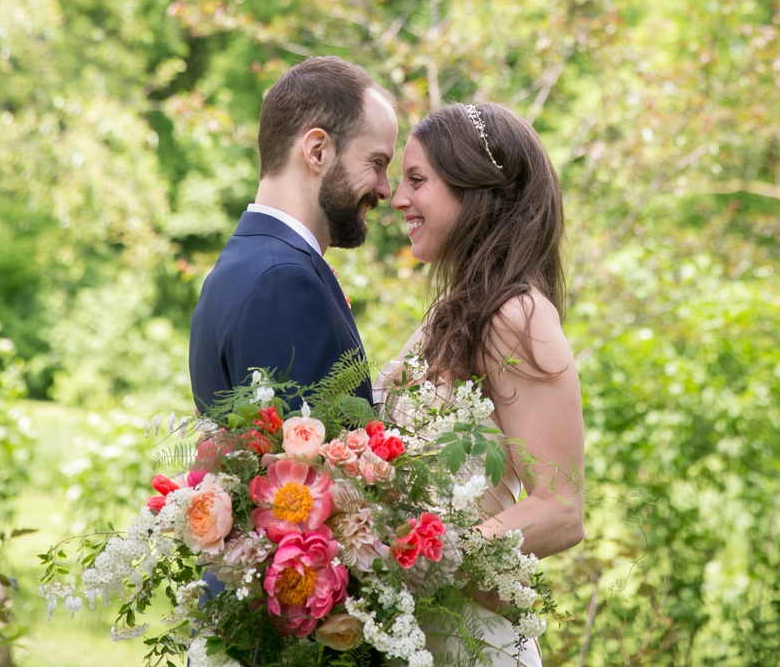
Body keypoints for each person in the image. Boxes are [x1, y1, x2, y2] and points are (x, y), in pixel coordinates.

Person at [387, 101, 585, 667]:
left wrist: (418, 558)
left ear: (475, 190)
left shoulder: (516, 315)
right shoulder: (453, 313)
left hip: (469, 643)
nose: (399, 199)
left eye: (417, 180)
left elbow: (560, 509)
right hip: (420, 637)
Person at [189, 56, 398, 413]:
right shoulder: (282, 282)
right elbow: (309, 465)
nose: (385, 190)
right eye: (376, 164)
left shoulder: (238, 267)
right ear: (317, 151)